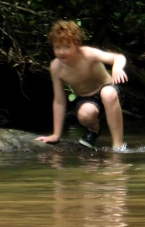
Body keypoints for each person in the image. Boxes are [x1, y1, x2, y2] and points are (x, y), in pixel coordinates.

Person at [35, 20, 128, 151]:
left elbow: (118, 57)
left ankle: (118, 145)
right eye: (57, 47)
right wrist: (56, 134)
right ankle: (94, 130)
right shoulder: (56, 67)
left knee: (108, 94)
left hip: (109, 90)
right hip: (87, 99)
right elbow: (59, 101)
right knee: (85, 115)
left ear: (77, 45)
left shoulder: (88, 54)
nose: (61, 52)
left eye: (67, 47)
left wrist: (117, 68)